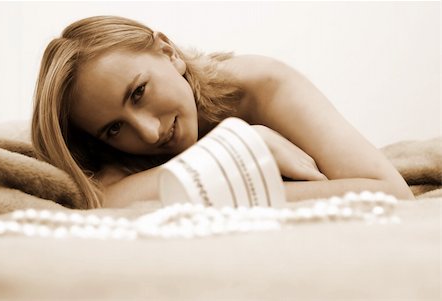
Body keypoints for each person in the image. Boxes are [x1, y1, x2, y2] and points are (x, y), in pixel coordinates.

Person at [31, 15, 413, 209]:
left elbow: (392, 193)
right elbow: (103, 203)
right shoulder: (114, 156)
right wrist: (244, 147)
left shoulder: (258, 84)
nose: (148, 133)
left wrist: (222, 180)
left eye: (139, 93)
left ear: (170, 53)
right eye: (114, 128)